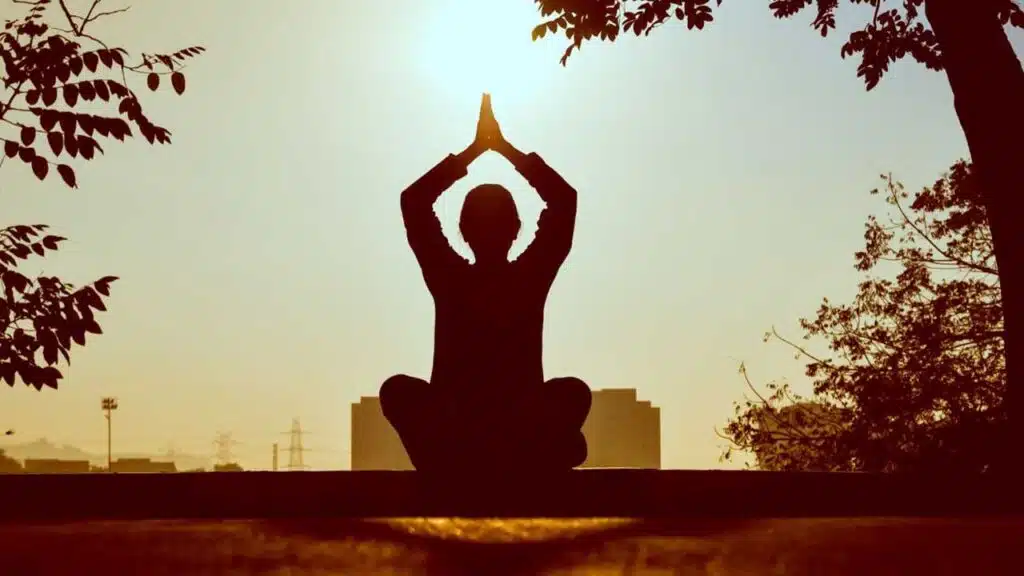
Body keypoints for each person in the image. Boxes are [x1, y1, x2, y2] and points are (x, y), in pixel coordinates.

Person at [380, 94, 592, 474]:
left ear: (462, 230)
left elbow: (415, 202)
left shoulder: (451, 276)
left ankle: (455, 461)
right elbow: (563, 200)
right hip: (492, 427)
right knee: (572, 394)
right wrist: (503, 150)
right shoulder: (526, 277)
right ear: (517, 228)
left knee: (398, 391)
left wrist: (475, 151)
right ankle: (526, 456)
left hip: (467, 429)